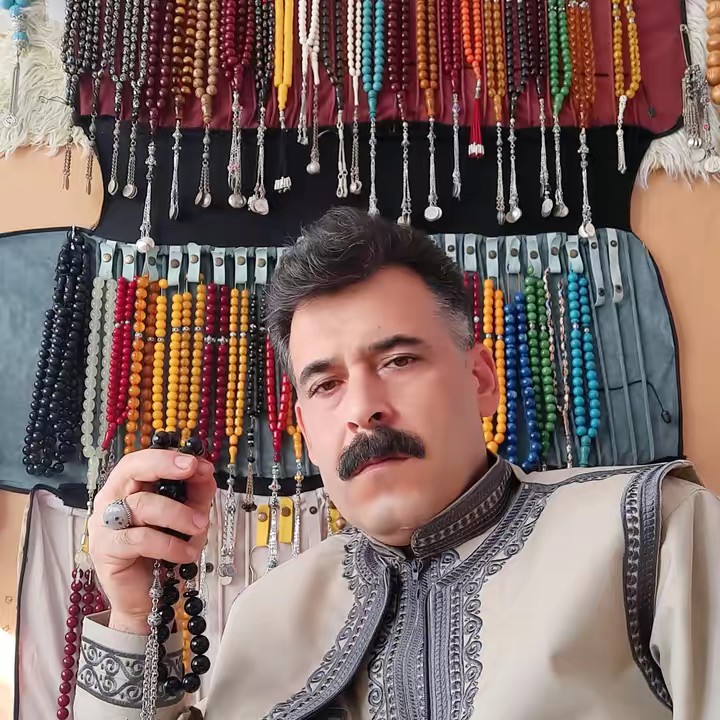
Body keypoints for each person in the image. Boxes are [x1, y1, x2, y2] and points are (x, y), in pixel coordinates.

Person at [75, 208, 720, 720]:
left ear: (481, 380)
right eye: (325, 385)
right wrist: (133, 617)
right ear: (306, 430)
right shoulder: (264, 615)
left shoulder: (654, 533)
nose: (363, 409)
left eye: (399, 360)